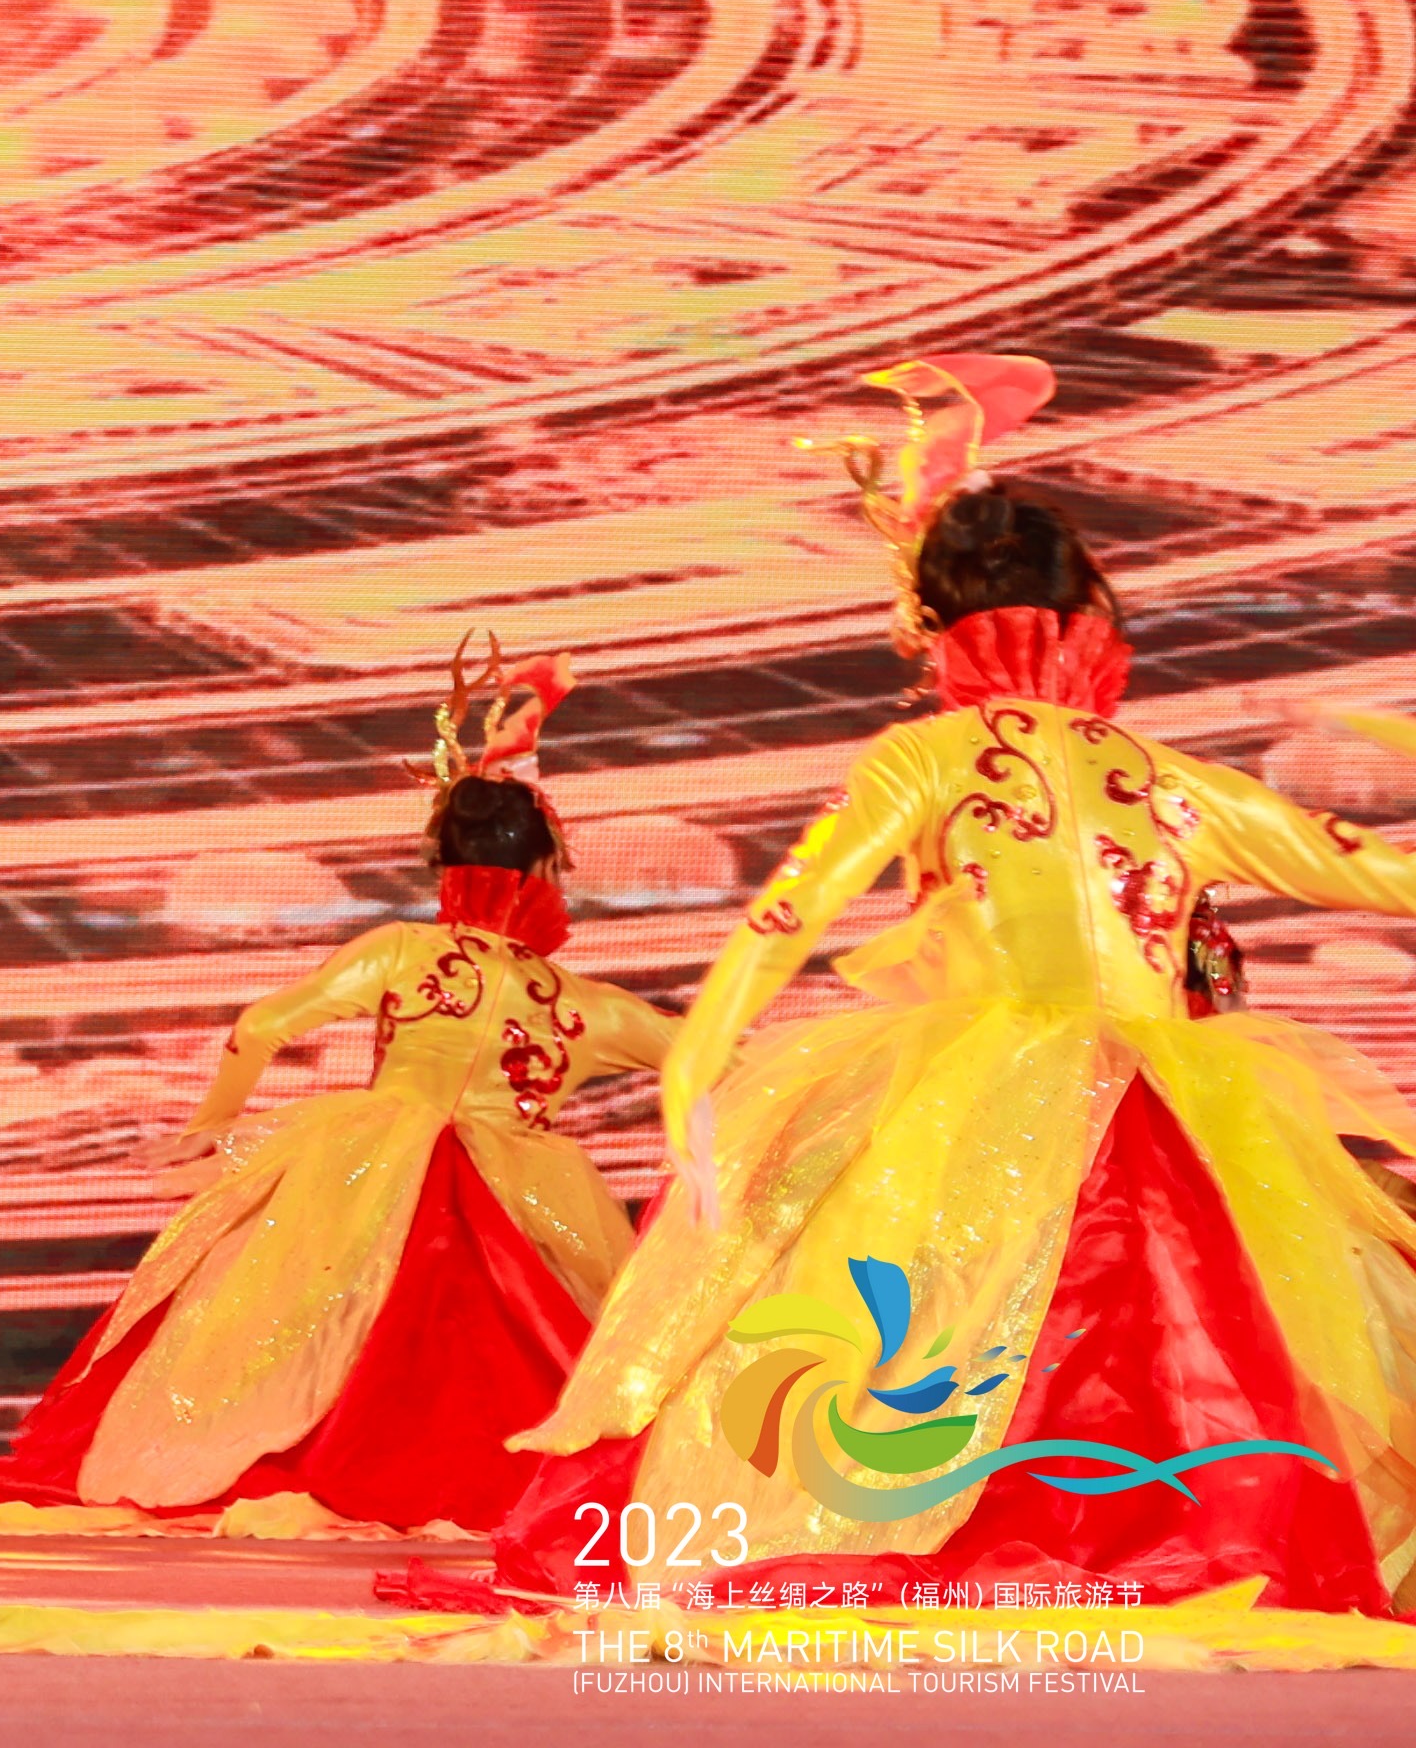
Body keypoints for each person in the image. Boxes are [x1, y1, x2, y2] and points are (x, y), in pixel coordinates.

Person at [499, 356, 1416, 1614]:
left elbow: (782, 919)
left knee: (923, 1313)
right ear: (1089, 615)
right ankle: (1181, 1532)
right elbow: (1384, 877)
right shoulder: (1177, 779)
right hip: (1169, 1097)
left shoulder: (927, 755)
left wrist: (701, 1063)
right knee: (1191, 1320)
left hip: (970, 1092)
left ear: (935, 620)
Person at [0, 640, 675, 1536]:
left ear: (445, 862)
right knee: (540, 1342)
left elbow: (262, 1026)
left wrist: (211, 1124)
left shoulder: (401, 951)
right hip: (526, 1190)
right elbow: (714, 1059)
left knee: (291, 1327)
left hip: (367, 1167)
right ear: (546, 871)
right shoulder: (591, 1006)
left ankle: (316, 1462)